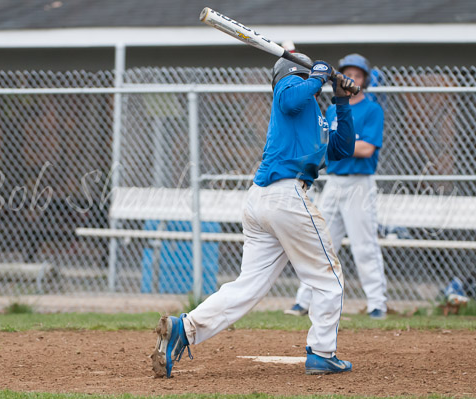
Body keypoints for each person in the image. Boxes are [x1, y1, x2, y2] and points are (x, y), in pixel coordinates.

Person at [151, 55, 357, 378]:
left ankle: (185, 328)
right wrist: (317, 77)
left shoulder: (313, 116)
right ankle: (322, 352)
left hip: (263, 200)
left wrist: (342, 102)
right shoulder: (290, 88)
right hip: (285, 196)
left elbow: (342, 150)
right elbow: (289, 99)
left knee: (247, 287)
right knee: (328, 278)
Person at [285, 54, 387, 319]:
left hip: (359, 185)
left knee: (364, 246)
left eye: (358, 74)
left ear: (366, 79)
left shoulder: (372, 109)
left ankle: (377, 303)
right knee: (319, 242)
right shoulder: (332, 109)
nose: (352, 78)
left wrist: (341, 145)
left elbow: (366, 149)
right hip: (333, 183)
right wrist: (340, 145)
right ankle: (303, 301)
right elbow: (329, 145)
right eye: (347, 73)